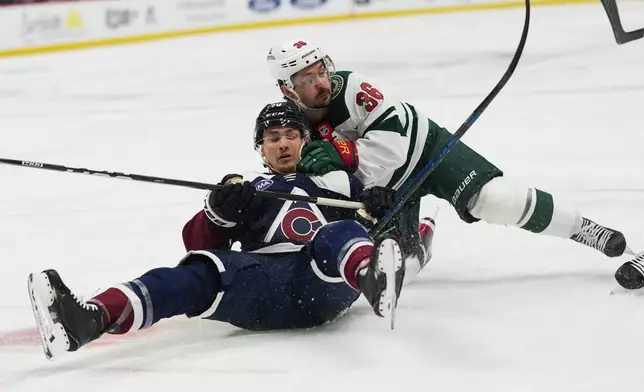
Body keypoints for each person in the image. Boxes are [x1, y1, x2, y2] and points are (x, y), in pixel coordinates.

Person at [27, 101, 430, 360]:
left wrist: (380, 206)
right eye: (273, 138)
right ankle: (90, 320)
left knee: (334, 234)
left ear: (305, 141)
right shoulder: (247, 191)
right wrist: (218, 214)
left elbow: (384, 227)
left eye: (292, 135)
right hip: (260, 290)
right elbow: (197, 244)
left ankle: (371, 281)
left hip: (323, 284)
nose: (284, 144)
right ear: (261, 148)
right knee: (197, 272)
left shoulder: (337, 183)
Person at [264, 39, 628, 266]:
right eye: (306, 80)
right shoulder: (291, 127)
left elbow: (394, 141)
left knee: (495, 199)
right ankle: (419, 237)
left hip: (427, 151)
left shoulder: (353, 87)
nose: (321, 84)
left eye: (321, 71)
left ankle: (586, 230)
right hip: (385, 191)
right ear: (287, 88)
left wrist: (348, 156)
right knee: (392, 261)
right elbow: (308, 186)